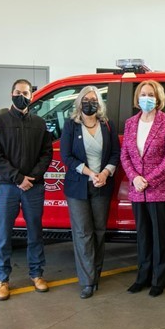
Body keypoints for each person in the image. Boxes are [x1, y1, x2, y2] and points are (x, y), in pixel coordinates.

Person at [0, 79, 53, 301]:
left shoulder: (39, 123)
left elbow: (47, 154)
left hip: (33, 187)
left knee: (35, 232)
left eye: (26, 93)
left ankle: (37, 274)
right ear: (11, 94)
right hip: (7, 186)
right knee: (3, 234)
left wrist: (31, 178)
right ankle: (3, 279)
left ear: (32, 96)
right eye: (18, 92)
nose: (21, 96)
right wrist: (18, 178)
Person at [60, 86, 120, 299]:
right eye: (85, 99)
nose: (89, 103)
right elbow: (65, 156)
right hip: (78, 186)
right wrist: (90, 173)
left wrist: (104, 173)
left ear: (99, 103)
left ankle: (96, 273)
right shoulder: (71, 125)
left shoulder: (107, 125)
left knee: (99, 232)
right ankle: (87, 281)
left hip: (102, 184)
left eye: (93, 99)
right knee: (83, 233)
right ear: (79, 103)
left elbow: (115, 153)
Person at [121, 80, 165, 297]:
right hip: (137, 190)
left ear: (158, 98)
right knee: (143, 236)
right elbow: (124, 154)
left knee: (160, 237)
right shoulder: (130, 123)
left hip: (159, 189)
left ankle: (158, 280)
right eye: (143, 94)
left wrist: (148, 179)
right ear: (138, 98)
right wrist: (135, 178)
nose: (147, 98)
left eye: (151, 95)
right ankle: (142, 277)